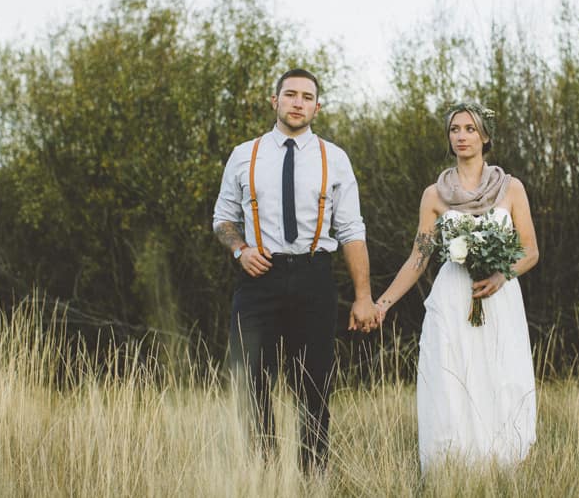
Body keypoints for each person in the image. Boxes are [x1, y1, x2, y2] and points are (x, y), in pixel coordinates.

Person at [213, 68, 380, 472]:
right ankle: (265, 472)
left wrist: (363, 297)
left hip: (314, 276)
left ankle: (312, 476)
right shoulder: (244, 154)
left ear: (317, 107)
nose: (298, 102)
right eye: (290, 94)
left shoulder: (334, 159)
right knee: (250, 378)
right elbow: (222, 219)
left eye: (307, 97)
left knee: (314, 383)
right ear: (275, 101)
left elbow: (351, 231)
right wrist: (240, 250)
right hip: (258, 277)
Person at [375, 101, 539, 470]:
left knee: (500, 377)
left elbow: (530, 251)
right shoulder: (434, 195)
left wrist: (501, 274)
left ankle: (501, 468)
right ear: (448, 138)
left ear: (484, 136)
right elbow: (418, 259)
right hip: (452, 298)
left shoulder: (511, 188)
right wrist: (382, 303)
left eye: (469, 129)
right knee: (452, 380)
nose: (461, 136)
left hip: (498, 298)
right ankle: (453, 470)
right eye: (454, 129)